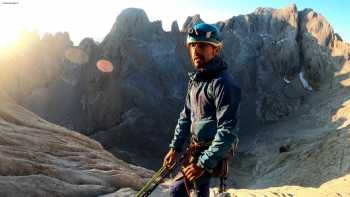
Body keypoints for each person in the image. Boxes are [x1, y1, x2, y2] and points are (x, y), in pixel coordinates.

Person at [163, 22, 242, 197]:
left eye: (202, 46)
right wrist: (175, 147)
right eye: (192, 46)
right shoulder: (196, 81)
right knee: (193, 188)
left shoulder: (223, 84)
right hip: (199, 148)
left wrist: (203, 163)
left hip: (214, 149)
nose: (196, 51)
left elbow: (228, 131)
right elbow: (186, 116)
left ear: (215, 50)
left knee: (178, 191)